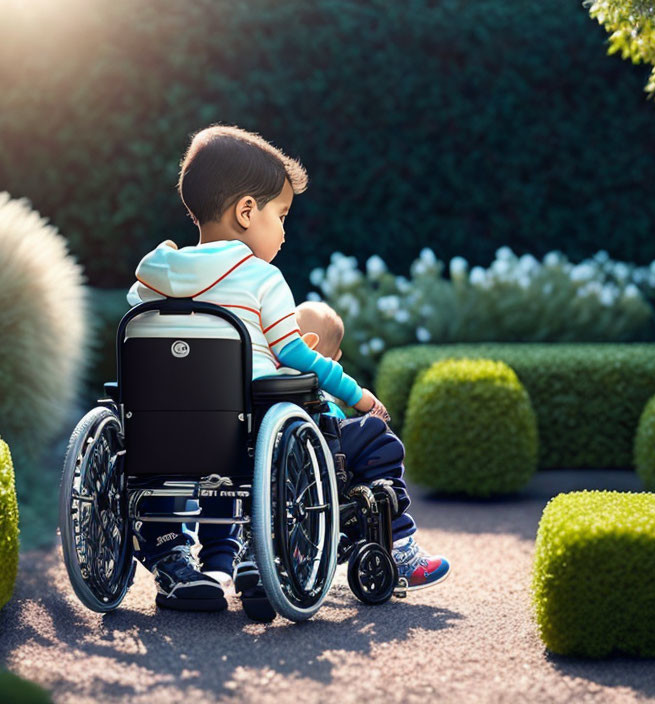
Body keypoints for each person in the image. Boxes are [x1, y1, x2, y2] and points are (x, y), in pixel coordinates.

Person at [125, 124, 447, 619]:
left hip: (164, 431)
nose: (283, 230)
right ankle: (306, 549)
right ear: (246, 212)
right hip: (248, 431)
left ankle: (173, 558)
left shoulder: (154, 279)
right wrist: (357, 394)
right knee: (349, 430)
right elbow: (295, 353)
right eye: (281, 215)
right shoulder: (262, 277)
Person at [287, 301, 449, 591]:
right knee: (380, 441)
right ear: (335, 357)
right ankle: (399, 547)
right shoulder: (322, 383)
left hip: (279, 457)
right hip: (320, 452)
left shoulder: (266, 366)